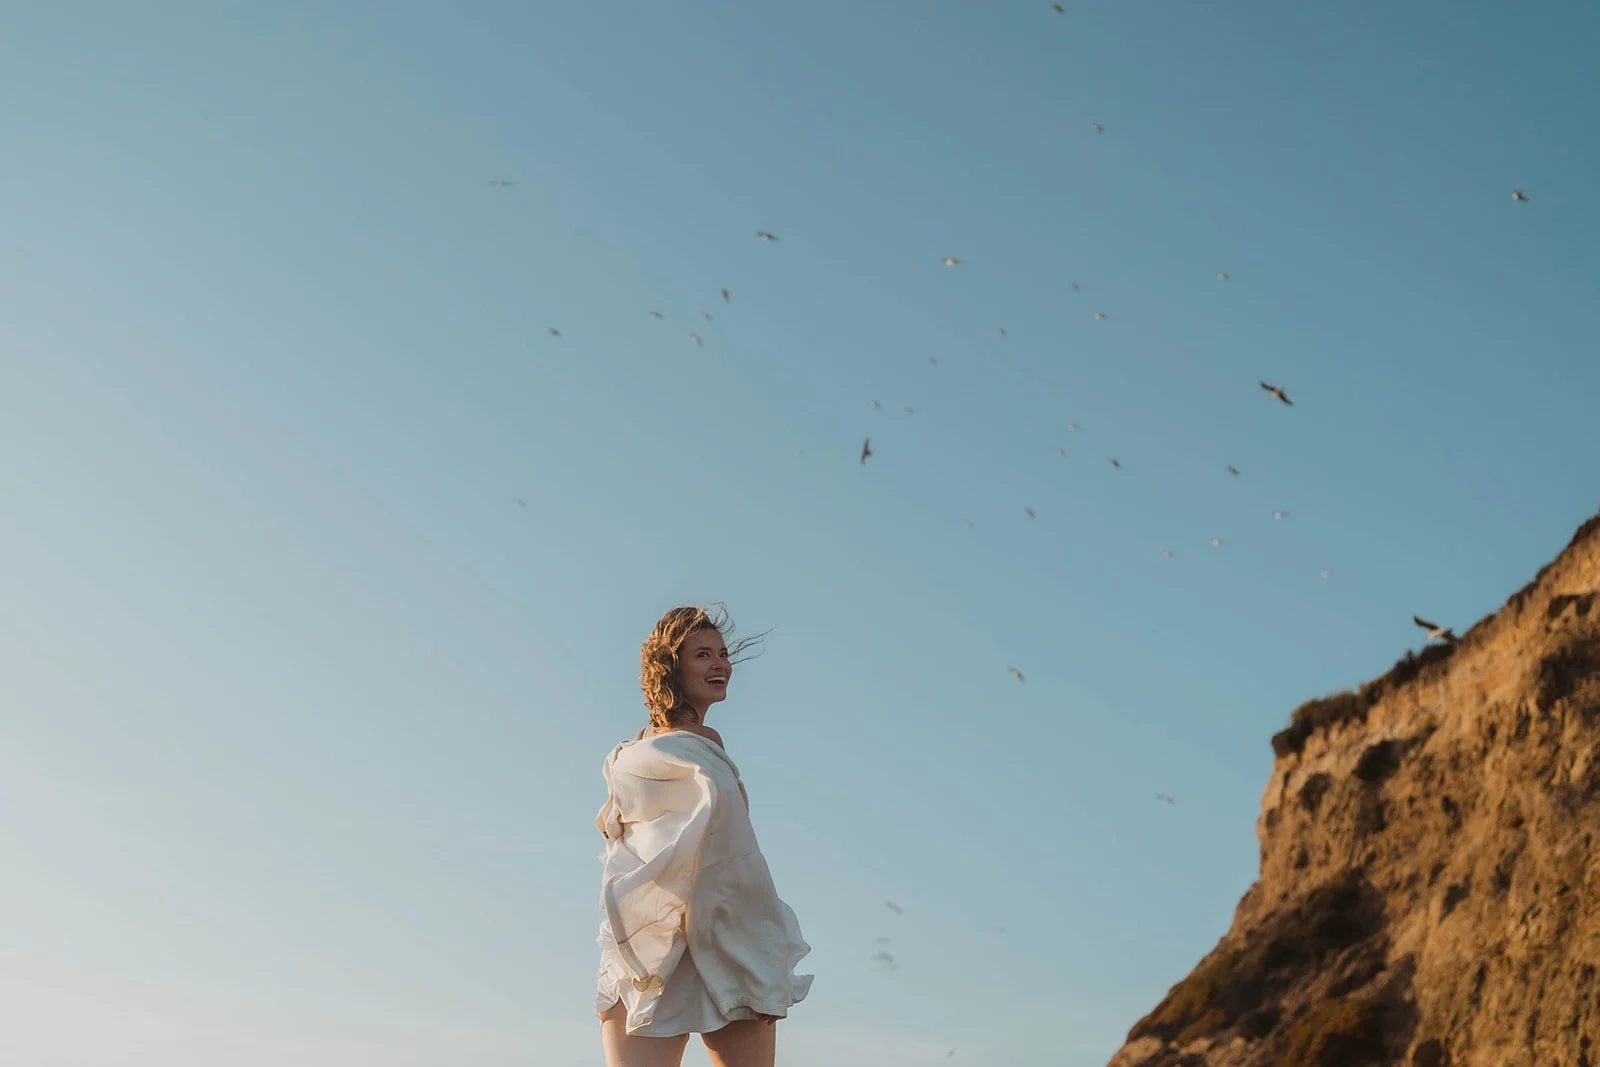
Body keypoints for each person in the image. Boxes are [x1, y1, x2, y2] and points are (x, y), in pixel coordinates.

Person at [594, 605, 813, 1067]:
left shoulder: (697, 745)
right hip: (657, 939)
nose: (720, 665)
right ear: (670, 667)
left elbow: (734, 858)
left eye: (723, 653)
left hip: (714, 930)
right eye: (702, 655)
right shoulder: (643, 753)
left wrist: (754, 954)